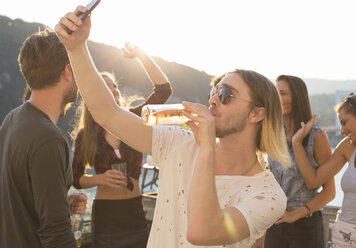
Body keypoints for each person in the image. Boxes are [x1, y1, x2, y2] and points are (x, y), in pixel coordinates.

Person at [55, 6, 290, 247]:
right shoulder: (179, 142)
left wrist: (207, 147)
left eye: (226, 94)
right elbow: (108, 113)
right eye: (214, 91)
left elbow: (202, 232)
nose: (213, 100)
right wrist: (76, 47)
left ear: (256, 113)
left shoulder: (268, 195)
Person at [72, 43, 172, 248]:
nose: (113, 91)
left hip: (134, 212)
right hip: (106, 214)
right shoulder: (86, 135)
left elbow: (164, 90)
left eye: (114, 87)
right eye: (105, 87)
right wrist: (100, 178)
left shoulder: (135, 118)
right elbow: (76, 179)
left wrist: (142, 56)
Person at [0, 29, 87, 248]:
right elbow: (57, 235)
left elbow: (16, 198)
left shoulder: (12, 119)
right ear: (67, 71)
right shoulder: (49, 139)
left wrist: (59, 202)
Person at [291, 93, 356, 248]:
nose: (341, 131)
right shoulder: (348, 146)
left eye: (344, 122)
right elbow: (313, 180)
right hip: (342, 234)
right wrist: (297, 143)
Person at [264, 75, 335, 248]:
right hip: (275, 223)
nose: (277, 98)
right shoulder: (273, 135)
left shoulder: (316, 137)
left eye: (283, 93)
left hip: (306, 226)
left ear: (297, 97)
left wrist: (296, 214)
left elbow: (329, 192)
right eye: (275, 93)